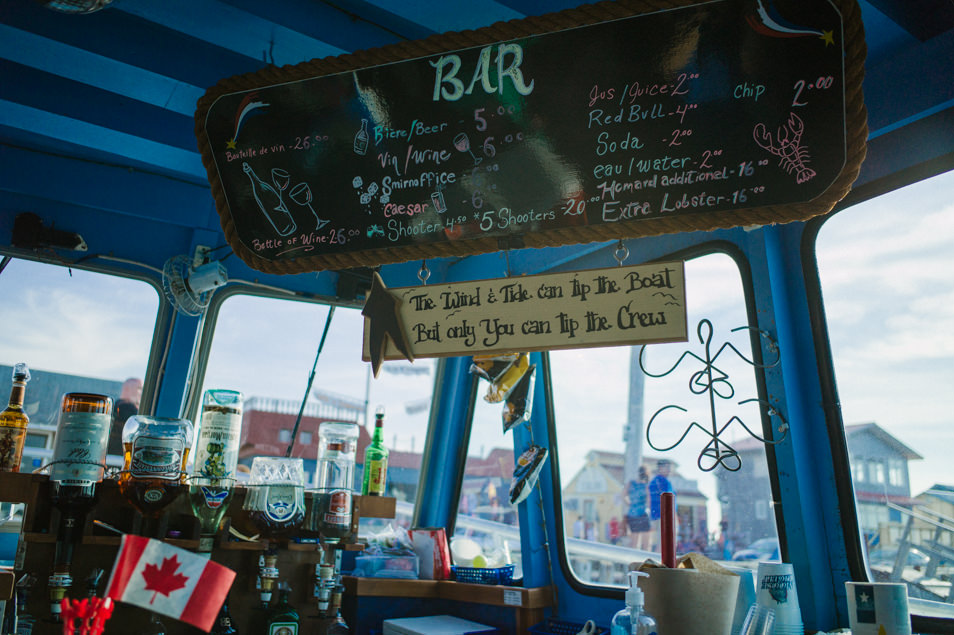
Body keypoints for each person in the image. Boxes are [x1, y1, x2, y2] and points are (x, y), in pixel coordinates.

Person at [107, 377, 142, 456]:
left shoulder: (113, 409)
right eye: (139, 388)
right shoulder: (132, 413)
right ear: (127, 389)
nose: (142, 393)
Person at [648, 459, 675, 550]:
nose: (669, 470)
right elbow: (665, 500)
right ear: (660, 468)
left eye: (669, 468)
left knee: (663, 542)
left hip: (661, 515)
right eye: (667, 467)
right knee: (664, 542)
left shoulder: (661, 481)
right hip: (663, 516)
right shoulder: (661, 481)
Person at [624, 466, 651, 549]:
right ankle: (646, 560)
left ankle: (633, 559)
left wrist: (629, 503)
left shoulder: (631, 483)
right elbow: (649, 501)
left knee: (634, 543)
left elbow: (623, 495)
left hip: (632, 514)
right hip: (642, 514)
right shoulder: (646, 485)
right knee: (646, 543)